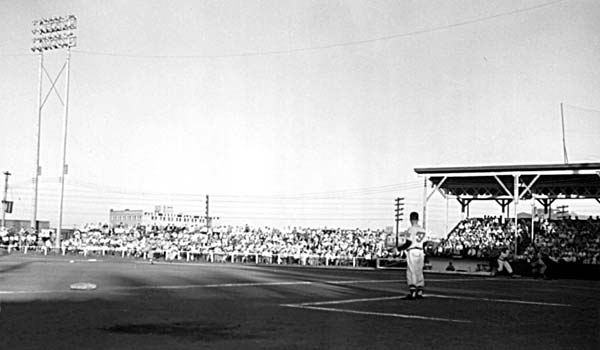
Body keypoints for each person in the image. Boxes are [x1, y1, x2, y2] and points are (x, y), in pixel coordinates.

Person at [400, 212, 427, 300]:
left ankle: (413, 293)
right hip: (421, 251)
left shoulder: (410, 229)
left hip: (412, 250)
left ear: (411, 219)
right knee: (419, 271)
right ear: (418, 219)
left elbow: (408, 242)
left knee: (411, 271)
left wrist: (399, 248)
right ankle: (419, 291)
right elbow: (425, 242)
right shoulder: (422, 229)